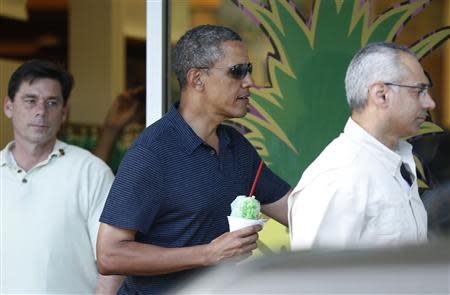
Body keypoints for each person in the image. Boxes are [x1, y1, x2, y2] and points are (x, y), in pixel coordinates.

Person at [96, 25, 292, 294]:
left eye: (248, 70)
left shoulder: (235, 146)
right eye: (237, 71)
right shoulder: (152, 152)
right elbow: (110, 255)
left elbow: (295, 210)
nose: (248, 81)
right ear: (197, 79)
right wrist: (208, 254)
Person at [288, 42, 436, 250]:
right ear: (381, 94)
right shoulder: (339, 177)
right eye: (419, 91)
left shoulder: (393, 160)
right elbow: (316, 278)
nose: (429, 103)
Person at [1, 59, 122, 293]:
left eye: (52, 103)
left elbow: (115, 262)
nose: (40, 111)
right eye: (30, 100)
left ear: (64, 113)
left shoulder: (91, 173)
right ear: (8, 106)